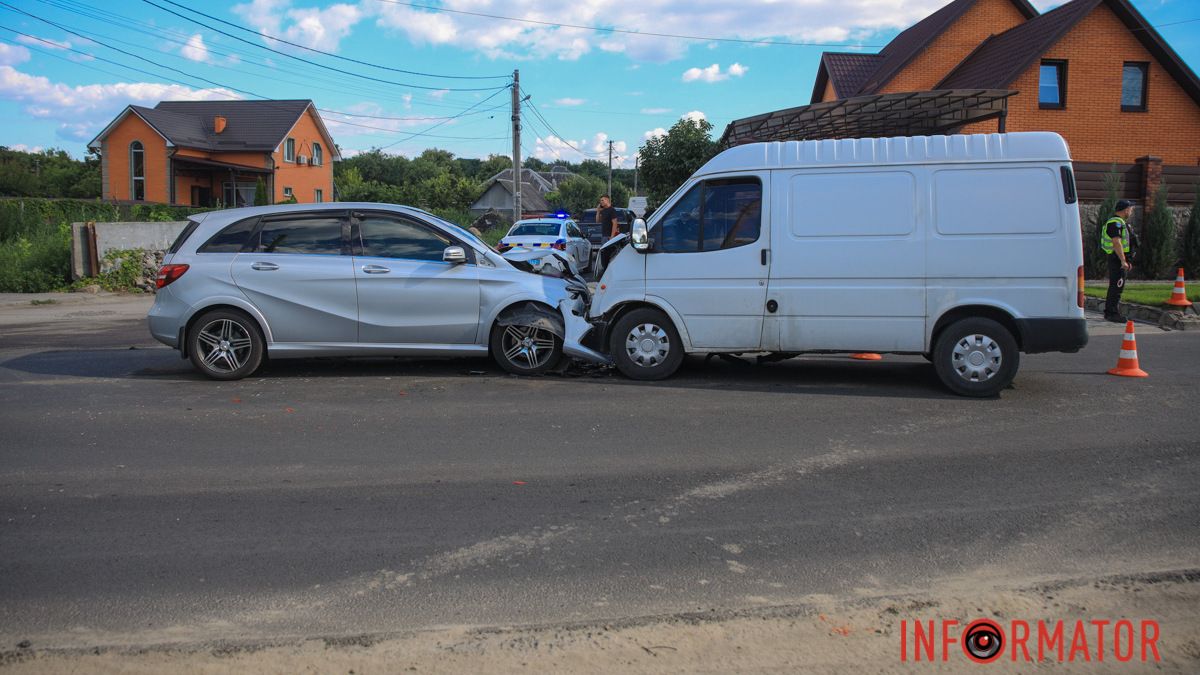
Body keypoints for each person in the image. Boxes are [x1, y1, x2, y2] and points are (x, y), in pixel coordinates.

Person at [1102, 199, 1135, 323]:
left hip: (1119, 259)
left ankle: (1111, 312)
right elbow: (1116, 242)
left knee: (1116, 287)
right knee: (1116, 287)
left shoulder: (1120, 222)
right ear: (1126, 209)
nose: (1131, 211)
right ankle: (1112, 314)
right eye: (1131, 209)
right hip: (1117, 260)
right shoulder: (1115, 223)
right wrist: (1123, 261)